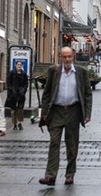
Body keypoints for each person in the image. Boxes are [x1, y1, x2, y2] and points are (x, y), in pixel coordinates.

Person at [39, 47, 93, 186]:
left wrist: (87, 113)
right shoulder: (54, 71)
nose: (67, 59)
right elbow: (46, 93)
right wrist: (44, 112)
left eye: (69, 56)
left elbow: (87, 93)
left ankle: (70, 174)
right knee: (54, 142)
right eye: (64, 57)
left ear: (73, 56)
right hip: (56, 111)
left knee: (72, 145)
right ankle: (50, 175)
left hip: (73, 111)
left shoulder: (81, 72)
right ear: (60, 57)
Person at [7, 60, 29, 131]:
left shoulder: (24, 74)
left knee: (20, 109)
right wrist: (11, 90)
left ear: (22, 65)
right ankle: (14, 124)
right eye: (18, 64)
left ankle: (20, 123)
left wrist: (23, 90)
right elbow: (9, 83)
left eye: (20, 65)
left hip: (21, 94)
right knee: (13, 110)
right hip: (13, 94)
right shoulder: (12, 73)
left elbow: (26, 84)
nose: (19, 66)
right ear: (15, 65)